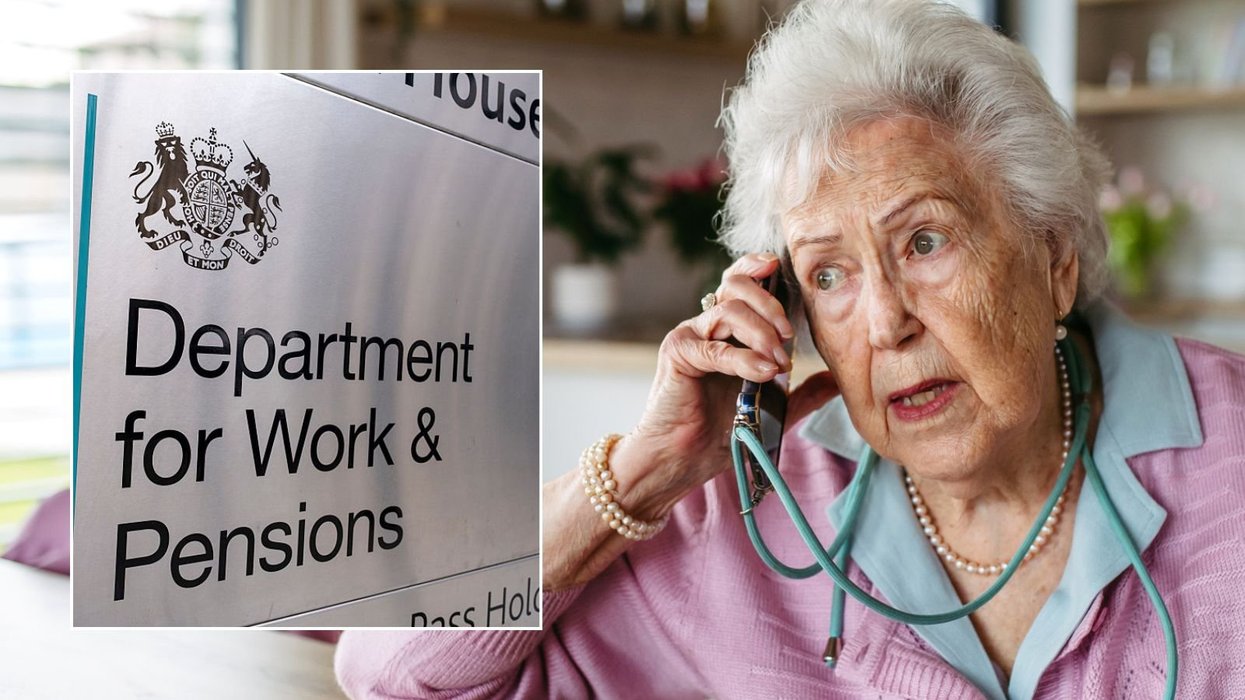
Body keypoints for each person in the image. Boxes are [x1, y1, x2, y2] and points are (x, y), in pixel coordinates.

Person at [336, 1, 1245, 697]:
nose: (885, 322)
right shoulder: (747, 519)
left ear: (1053, 260)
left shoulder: (1227, 463)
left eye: (924, 241)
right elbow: (390, 670)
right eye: (829, 274)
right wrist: (640, 476)